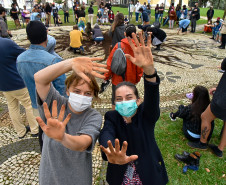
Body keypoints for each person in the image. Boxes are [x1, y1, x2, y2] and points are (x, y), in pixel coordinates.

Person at [99, 31, 168, 185]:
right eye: (119, 99)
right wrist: (110, 151)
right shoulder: (112, 117)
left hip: (149, 175)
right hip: (120, 177)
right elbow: (106, 134)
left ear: (138, 100)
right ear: (115, 104)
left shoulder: (146, 115)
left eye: (129, 97)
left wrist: (149, 72)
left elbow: (152, 100)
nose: (124, 102)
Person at [34, 56, 108, 184]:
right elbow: (39, 79)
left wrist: (63, 138)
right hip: (49, 178)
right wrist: (71, 63)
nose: (81, 96)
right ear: (67, 90)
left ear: (93, 96)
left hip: (78, 179)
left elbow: (84, 143)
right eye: (77, 91)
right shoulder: (55, 103)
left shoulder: (93, 116)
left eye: (88, 93)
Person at [17, 21, 66, 118]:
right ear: (46, 36)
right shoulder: (54, 60)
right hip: (54, 108)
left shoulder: (20, 59)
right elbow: (62, 88)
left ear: (27, 38)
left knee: (42, 129)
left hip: (36, 105)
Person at [0, 37, 39, 139]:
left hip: (3, 84)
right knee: (29, 104)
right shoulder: (6, 43)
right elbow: (23, 53)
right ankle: (35, 129)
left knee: (12, 107)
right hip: (17, 82)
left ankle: (20, 131)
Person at [188, 58, 226, 158]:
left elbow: (224, 65)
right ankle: (219, 149)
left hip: (223, 98)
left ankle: (202, 143)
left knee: (205, 117)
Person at [103, 24, 143, 109]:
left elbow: (110, 64)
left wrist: (106, 77)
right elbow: (140, 67)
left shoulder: (118, 45)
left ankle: (115, 117)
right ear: (135, 34)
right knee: (130, 99)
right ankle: (129, 116)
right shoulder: (139, 47)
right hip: (131, 80)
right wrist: (137, 79)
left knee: (115, 99)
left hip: (117, 79)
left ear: (124, 34)